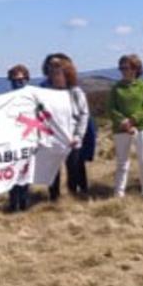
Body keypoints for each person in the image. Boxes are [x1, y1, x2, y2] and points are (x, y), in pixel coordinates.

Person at [108, 54, 143, 197]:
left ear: (135, 69)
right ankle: (119, 192)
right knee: (122, 162)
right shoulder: (115, 88)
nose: (123, 71)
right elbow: (111, 108)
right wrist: (123, 121)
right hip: (121, 129)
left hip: (142, 128)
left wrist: (133, 120)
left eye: (126, 67)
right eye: (121, 68)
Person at [46, 57, 90, 200]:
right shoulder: (47, 92)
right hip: (53, 138)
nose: (55, 76)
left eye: (58, 73)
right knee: (53, 169)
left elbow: (84, 114)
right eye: (52, 73)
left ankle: (75, 194)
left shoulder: (76, 92)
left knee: (74, 167)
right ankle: (54, 197)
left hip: (72, 137)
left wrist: (78, 135)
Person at [5, 64, 32, 212]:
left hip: (28, 140)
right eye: (15, 80)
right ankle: (13, 203)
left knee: (26, 172)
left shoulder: (33, 98)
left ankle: (25, 202)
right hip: (11, 141)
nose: (18, 83)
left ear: (27, 80)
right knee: (13, 173)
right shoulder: (6, 99)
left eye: (21, 80)